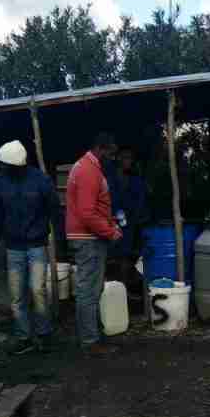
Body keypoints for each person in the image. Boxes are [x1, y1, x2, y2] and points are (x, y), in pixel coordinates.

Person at [0, 140, 59, 355]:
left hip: (36, 244)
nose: (1, 167)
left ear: (14, 165)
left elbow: (55, 211)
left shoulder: (41, 181)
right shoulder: (1, 181)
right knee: (16, 295)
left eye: (4, 164)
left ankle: (44, 334)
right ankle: (24, 337)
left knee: (37, 290)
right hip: (13, 246)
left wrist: (61, 243)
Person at [66, 132, 122, 355]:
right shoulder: (89, 170)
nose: (112, 157)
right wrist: (110, 232)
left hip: (87, 237)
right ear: (102, 148)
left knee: (91, 288)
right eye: (111, 152)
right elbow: (87, 213)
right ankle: (90, 341)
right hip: (88, 239)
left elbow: (92, 209)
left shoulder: (85, 167)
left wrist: (110, 222)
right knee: (88, 290)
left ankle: (90, 335)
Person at [107, 147, 149, 287]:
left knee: (126, 255)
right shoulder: (110, 179)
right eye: (125, 158)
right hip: (111, 222)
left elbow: (140, 202)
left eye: (130, 158)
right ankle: (112, 287)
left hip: (130, 224)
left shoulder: (136, 180)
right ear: (118, 159)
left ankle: (123, 287)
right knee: (111, 255)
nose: (128, 161)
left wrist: (135, 218)